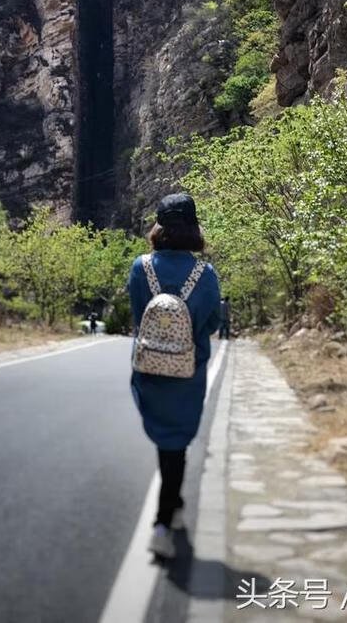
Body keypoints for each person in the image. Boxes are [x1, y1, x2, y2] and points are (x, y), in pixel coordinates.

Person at [128, 192, 221, 559]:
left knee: (166, 443)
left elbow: (139, 314)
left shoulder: (141, 268)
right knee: (175, 444)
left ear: (159, 227)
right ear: (194, 228)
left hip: (149, 369)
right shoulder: (205, 274)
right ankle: (163, 524)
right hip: (187, 371)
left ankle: (174, 506)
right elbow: (212, 323)